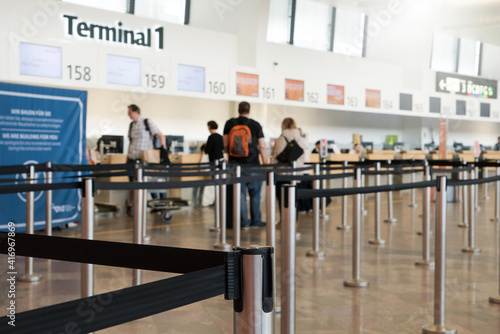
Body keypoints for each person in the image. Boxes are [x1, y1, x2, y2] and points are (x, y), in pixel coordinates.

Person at [223, 101, 269, 228]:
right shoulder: (255, 125)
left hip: (235, 165)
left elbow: (225, 144)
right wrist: (265, 164)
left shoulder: (229, 123)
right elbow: (262, 146)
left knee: (240, 194)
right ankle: (256, 221)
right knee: (255, 194)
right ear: (249, 110)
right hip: (253, 164)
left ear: (238, 110)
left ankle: (244, 223)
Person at [125, 104, 166, 217]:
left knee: (151, 182)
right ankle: (132, 206)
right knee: (133, 184)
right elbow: (131, 142)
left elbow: (161, 136)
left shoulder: (147, 122)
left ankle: (160, 204)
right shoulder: (131, 125)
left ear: (136, 112)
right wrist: (128, 155)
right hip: (132, 158)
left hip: (145, 158)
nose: (128, 115)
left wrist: (163, 151)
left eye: (129, 112)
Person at [271, 118, 309, 221]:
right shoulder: (301, 139)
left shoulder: (282, 138)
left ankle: (283, 221)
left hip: (283, 174)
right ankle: (293, 221)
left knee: (283, 199)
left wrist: (271, 168)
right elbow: (303, 157)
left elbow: (276, 157)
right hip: (297, 174)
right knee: (294, 199)